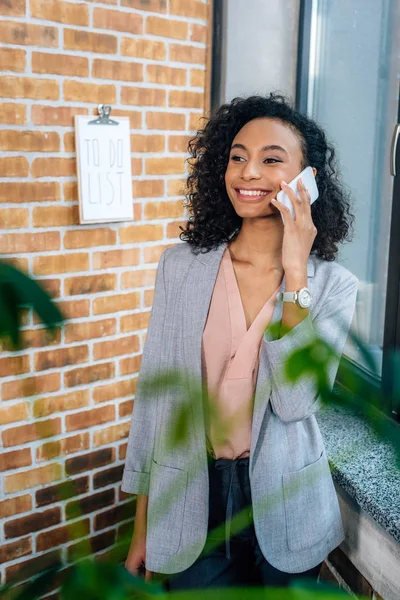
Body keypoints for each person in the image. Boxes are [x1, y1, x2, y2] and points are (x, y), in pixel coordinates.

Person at [122, 93, 358, 590]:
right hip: (191, 500)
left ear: (307, 179)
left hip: (288, 508)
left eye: (271, 159)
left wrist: (296, 269)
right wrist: (144, 525)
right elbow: (156, 400)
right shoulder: (180, 268)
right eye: (237, 157)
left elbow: (297, 402)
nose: (248, 172)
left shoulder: (334, 286)